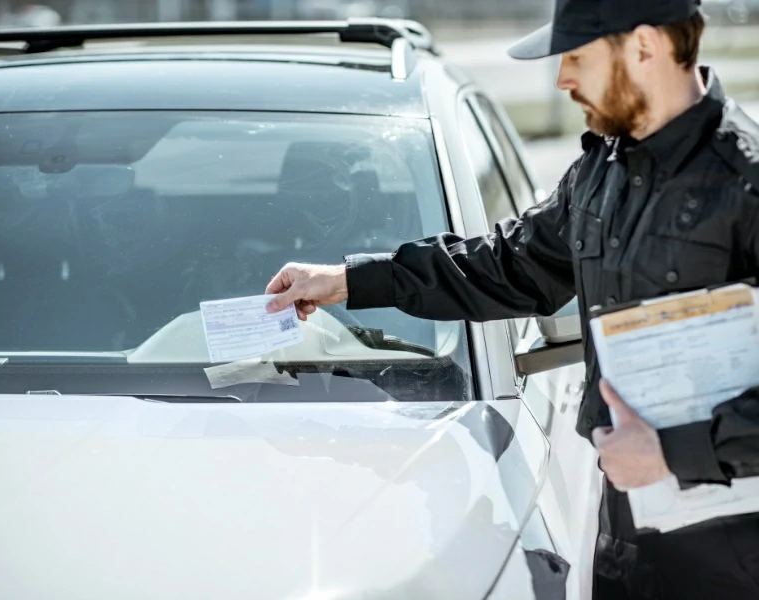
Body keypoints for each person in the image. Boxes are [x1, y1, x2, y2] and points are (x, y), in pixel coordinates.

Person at [265, 0, 759, 597]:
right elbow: (505, 264)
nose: (562, 78)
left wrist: (673, 452)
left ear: (646, 47)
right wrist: (348, 280)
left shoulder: (746, 183)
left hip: (732, 555)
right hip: (623, 539)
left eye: (576, 56)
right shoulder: (600, 170)